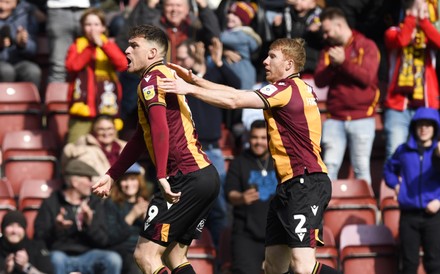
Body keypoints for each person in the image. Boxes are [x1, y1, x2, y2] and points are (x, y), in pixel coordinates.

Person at [159, 37, 338, 274]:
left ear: (289, 64)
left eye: (272, 56)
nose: (265, 61)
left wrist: (189, 89)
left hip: (305, 183)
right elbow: (236, 92)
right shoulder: (298, 89)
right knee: (274, 266)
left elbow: (234, 100)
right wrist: (196, 80)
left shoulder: (285, 89)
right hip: (290, 185)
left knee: (303, 267)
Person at [92, 24, 220, 274]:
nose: (127, 50)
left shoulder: (152, 78)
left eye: (134, 45)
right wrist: (112, 175)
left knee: (144, 255)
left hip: (184, 176)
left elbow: (161, 127)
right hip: (204, 175)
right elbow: (142, 137)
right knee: (174, 255)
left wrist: (161, 175)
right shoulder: (163, 75)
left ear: (152, 53)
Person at [175, 37, 241, 248]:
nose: (183, 61)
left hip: (212, 150)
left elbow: (236, 85)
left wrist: (217, 61)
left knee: (219, 205)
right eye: (181, 58)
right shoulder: (177, 83)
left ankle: (221, 254)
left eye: (186, 57)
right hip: (187, 151)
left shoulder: (210, 76)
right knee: (187, 204)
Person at [314, 7, 380, 185]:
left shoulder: (367, 45)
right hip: (335, 117)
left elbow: (367, 78)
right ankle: (325, 210)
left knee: (361, 167)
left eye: (327, 31)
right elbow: (319, 81)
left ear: (339, 25)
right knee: (329, 166)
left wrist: (344, 63)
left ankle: (368, 209)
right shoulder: (328, 51)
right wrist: (333, 66)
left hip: (362, 117)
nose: (325, 36)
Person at [33, 159, 123, 274]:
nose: (92, 184)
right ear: (75, 182)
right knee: (55, 259)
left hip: (89, 256)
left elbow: (103, 241)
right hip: (61, 255)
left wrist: (90, 224)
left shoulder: (95, 203)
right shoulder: (52, 203)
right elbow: (39, 238)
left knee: (113, 259)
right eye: (88, 179)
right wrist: (56, 228)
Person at [383, 107, 440, 274]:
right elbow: (388, 169)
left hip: (434, 217)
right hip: (409, 215)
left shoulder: (438, 152)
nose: (424, 129)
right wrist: (395, 184)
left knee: (435, 264)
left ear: (435, 128)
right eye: (420, 125)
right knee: (408, 264)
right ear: (414, 127)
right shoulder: (403, 150)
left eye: (428, 125)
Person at [383, 0, 440, 160]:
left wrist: (424, 22)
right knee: (394, 152)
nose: (426, 11)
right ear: (409, 11)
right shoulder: (393, 31)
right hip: (397, 106)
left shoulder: (428, 34)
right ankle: (394, 185)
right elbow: (402, 40)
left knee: (428, 155)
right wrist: (411, 18)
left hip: (426, 104)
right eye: (422, 8)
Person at [65, 7, 127, 143]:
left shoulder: (109, 45)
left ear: (103, 27)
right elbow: (73, 66)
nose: (92, 28)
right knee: (76, 148)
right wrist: (91, 47)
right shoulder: (77, 45)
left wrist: (104, 46)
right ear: (82, 27)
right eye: (88, 24)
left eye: (96, 24)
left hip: (106, 110)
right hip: (82, 112)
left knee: (110, 152)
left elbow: (122, 64)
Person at [224, 119, 277, 274]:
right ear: (249, 138)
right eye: (254, 137)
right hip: (246, 236)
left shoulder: (279, 162)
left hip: (276, 235)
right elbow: (230, 193)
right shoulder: (239, 163)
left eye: (262, 138)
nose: (258, 142)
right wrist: (241, 198)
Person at [104, 162, 152, 274]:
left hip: (144, 250)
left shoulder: (147, 202)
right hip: (122, 251)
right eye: (125, 180)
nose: (129, 184)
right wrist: (132, 215)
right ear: (119, 183)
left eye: (133, 179)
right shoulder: (111, 204)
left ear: (139, 181)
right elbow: (111, 237)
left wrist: (146, 218)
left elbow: (155, 236)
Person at [61, 114, 127, 176]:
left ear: (115, 130)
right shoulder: (84, 145)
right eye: (101, 129)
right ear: (94, 130)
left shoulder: (124, 146)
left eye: (109, 128)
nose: (106, 133)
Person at [272, 0, 323, 75]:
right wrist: (277, 27)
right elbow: (281, 36)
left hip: (310, 62)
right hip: (290, 59)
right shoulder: (288, 13)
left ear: (313, 3)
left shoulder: (319, 16)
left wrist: (317, 31)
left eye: (303, 0)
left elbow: (322, 40)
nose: (298, 1)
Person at [0, 0, 42, 90]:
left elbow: (33, 49)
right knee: (6, 71)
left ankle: (31, 103)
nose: (2, 7)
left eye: (7, 2)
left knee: (32, 71)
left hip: (18, 61)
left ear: (16, 3)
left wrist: (22, 44)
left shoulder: (26, 16)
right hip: (2, 63)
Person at [220, 1, 261, 90]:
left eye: (235, 15)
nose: (230, 16)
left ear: (243, 20)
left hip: (242, 74)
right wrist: (225, 52)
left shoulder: (242, 36)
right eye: (229, 13)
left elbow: (218, 38)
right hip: (235, 73)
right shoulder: (232, 32)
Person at [46, 0, 89, 83]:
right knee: (58, 68)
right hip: (57, 8)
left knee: (90, 65)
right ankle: (57, 96)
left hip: (85, 8)